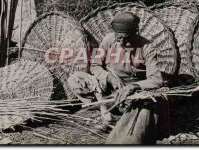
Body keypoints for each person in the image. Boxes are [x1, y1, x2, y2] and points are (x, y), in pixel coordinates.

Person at [68, 12, 169, 144]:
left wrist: (133, 87)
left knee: (146, 106)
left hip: (133, 93)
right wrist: (109, 77)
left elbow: (156, 80)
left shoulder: (146, 47)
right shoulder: (108, 40)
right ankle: (106, 111)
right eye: (118, 38)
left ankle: (118, 120)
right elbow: (95, 65)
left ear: (135, 32)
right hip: (110, 87)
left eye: (126, 38)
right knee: (76, 79)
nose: (121, 42)